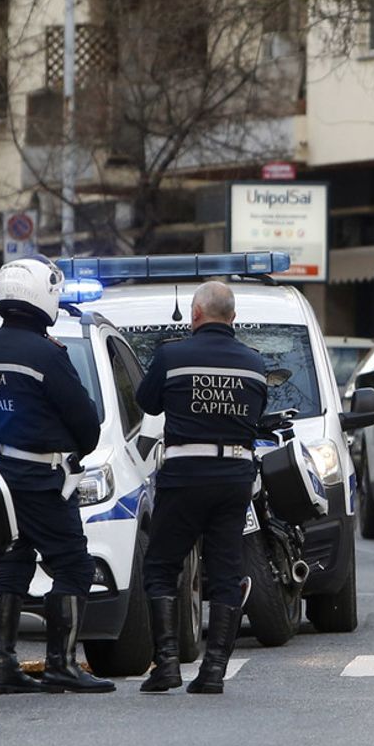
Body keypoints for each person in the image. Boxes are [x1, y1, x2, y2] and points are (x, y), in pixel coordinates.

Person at [0, 256, 115, 695]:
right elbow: (86, 422)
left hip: (0, 477)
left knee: (14, 561)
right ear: (43, 295)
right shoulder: (47, 353)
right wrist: (66, 448)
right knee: (75, 566)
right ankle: (61, 666)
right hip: (43, 479)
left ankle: (2, 667)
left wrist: (1, 442)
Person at [135, 280, 265, 695]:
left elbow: (147, 402)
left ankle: (168, 665)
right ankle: (213, 672)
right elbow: (258, 414)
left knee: (161, 567)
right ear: (232, 318)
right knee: (226, 571)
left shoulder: (172, 356)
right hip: (234, 479)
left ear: (194, 315)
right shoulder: (254, 363)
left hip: (185, 476)